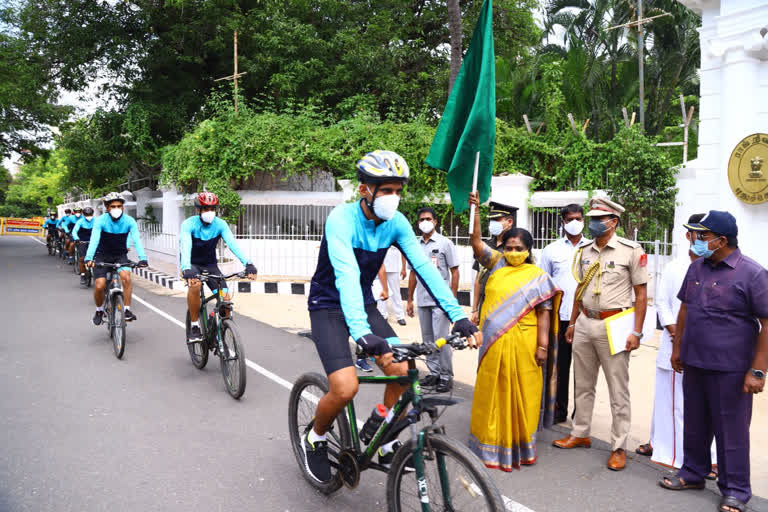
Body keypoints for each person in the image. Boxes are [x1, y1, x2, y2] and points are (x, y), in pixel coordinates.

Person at [302, 150, 480, 483]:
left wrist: (459, 317)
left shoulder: (396, 223)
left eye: (398, 191)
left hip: (364, 305)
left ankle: (384, 435)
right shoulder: (341, 219)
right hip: (328, 304)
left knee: (401, 371)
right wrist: (360, 332)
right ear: (364, 190)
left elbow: (425, 269)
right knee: (344, 388)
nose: (393, 198)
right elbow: (347, 275)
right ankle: (316, 436)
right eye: (386, 190)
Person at [659, 211, 767, 512]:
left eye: (701, 235)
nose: (695, 240)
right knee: (694, 423)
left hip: (731, 369)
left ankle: (736, 490)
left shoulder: (753, 273)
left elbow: (767, 323)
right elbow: (685, 310)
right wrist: (677, 348)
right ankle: (693, 473)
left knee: (730, 431)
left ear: (721, 240)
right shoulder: (697, 269)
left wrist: (758, 371)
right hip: (695, 362)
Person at [553, 197, 649, 472]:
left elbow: (641, 295)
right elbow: (579, 290)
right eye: (591, 219)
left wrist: (637, 332)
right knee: (582, 383)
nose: (592, 223)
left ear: (613, 221)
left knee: (618, 388)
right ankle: (580, 432)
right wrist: (571, 323)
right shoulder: (584, 250)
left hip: (615, 324)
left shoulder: (631, 251)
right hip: (585, 320)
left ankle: (618, 445)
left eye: (598, 219)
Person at [467, 191, 561, 470]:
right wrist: (475, 212)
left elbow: (544, 314)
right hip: (494, 343)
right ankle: (488, 441)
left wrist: (542, 346)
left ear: (529, 250)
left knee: (524, 391)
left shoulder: (538, 277)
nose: (514, 252)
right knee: (492, 389)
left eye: (519, 248)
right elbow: (475, 243)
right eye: (509, 247)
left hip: (526, 342)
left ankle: (520, 444)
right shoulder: (495, 264)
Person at [635, 213, 717, 476]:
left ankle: (707, 456)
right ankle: (666, 447)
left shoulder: (717, 266)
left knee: (703, 403)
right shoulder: (675, 267)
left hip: (706, 347)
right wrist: (677, 334)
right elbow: (663, 305)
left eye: (706, 235)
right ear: (689, 236)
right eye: (698, 234)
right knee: (671, 400)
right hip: (676, 343)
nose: (702, 239)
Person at [180, 192, 258, 343]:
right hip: (192, 265)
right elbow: (185, 245)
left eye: (212, 208)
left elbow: (233, 244)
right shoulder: (189, 224)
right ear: (198, 210)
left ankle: (215, 329)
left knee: (226, 301)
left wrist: (248, 263)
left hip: (210, 266)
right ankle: (195, 326)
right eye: (205, 209)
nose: (209, 212)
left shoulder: (220, 224)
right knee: (195, 286)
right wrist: (186, 268)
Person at [537, 204, 589, 424]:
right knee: (559, 367)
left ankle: (582, 414)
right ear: (563, 222)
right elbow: (543, 285)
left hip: (585, 318)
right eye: (570, 219)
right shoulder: (551, 250)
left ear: (584, 220)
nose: (574, 223)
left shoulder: (593, 248)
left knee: (585, 369)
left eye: (578, 218)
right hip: (560, 318)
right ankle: (559, 410)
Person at [406, 206, 460, 393]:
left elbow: (455, 272)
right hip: (422, 300)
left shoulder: (445, 244)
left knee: (442, 339)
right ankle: (433, 373)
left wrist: (451, 299)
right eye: (421, 220)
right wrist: (410, 300)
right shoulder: (414, 245)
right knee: (428, 339)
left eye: (428, 219)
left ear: (436, 222)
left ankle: (446, 376)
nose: (425, 222)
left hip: (441, 302)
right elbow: (412, 273)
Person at [84, 193, 149, 325]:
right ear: (107, 207)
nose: (116, 209)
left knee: (126, 277)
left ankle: (127, 310)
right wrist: (89, 258)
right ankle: (99, 310)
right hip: (102, 255)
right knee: (100, 285)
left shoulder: (129, 221)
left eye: (119, 206)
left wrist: (143, 258)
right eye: (113, 206)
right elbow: (94, 240)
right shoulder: (100, 221)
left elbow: (136, 240)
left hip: (120, 255)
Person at [470, 201, 518, 326]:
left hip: (506, 303)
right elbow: (478, 279)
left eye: (497, 220)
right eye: (491, 220)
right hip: (486, 302)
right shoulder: (485, 246)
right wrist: (475, 309)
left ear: (510, 222)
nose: (493, 224)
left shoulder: (516, 247)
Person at [377, 246, 407, 325]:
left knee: (396, 293)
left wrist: (403, 268)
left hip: (394, 269)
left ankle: (400, 316)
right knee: (381, 292)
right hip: (380, 268)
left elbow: (403, 252)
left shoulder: (395, 235)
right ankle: (383, 315)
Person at [72, 207, 96, 285]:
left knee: (97, 259)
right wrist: (76, 238)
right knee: (82, 259)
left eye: (90, 214)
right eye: (86, 214)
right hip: (82, 242)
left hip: (94, 243)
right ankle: (82, 275)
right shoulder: (80, 222)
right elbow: (74, 231)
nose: (88, 216)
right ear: (84, 214)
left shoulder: (96, 221)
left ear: (92, 214)